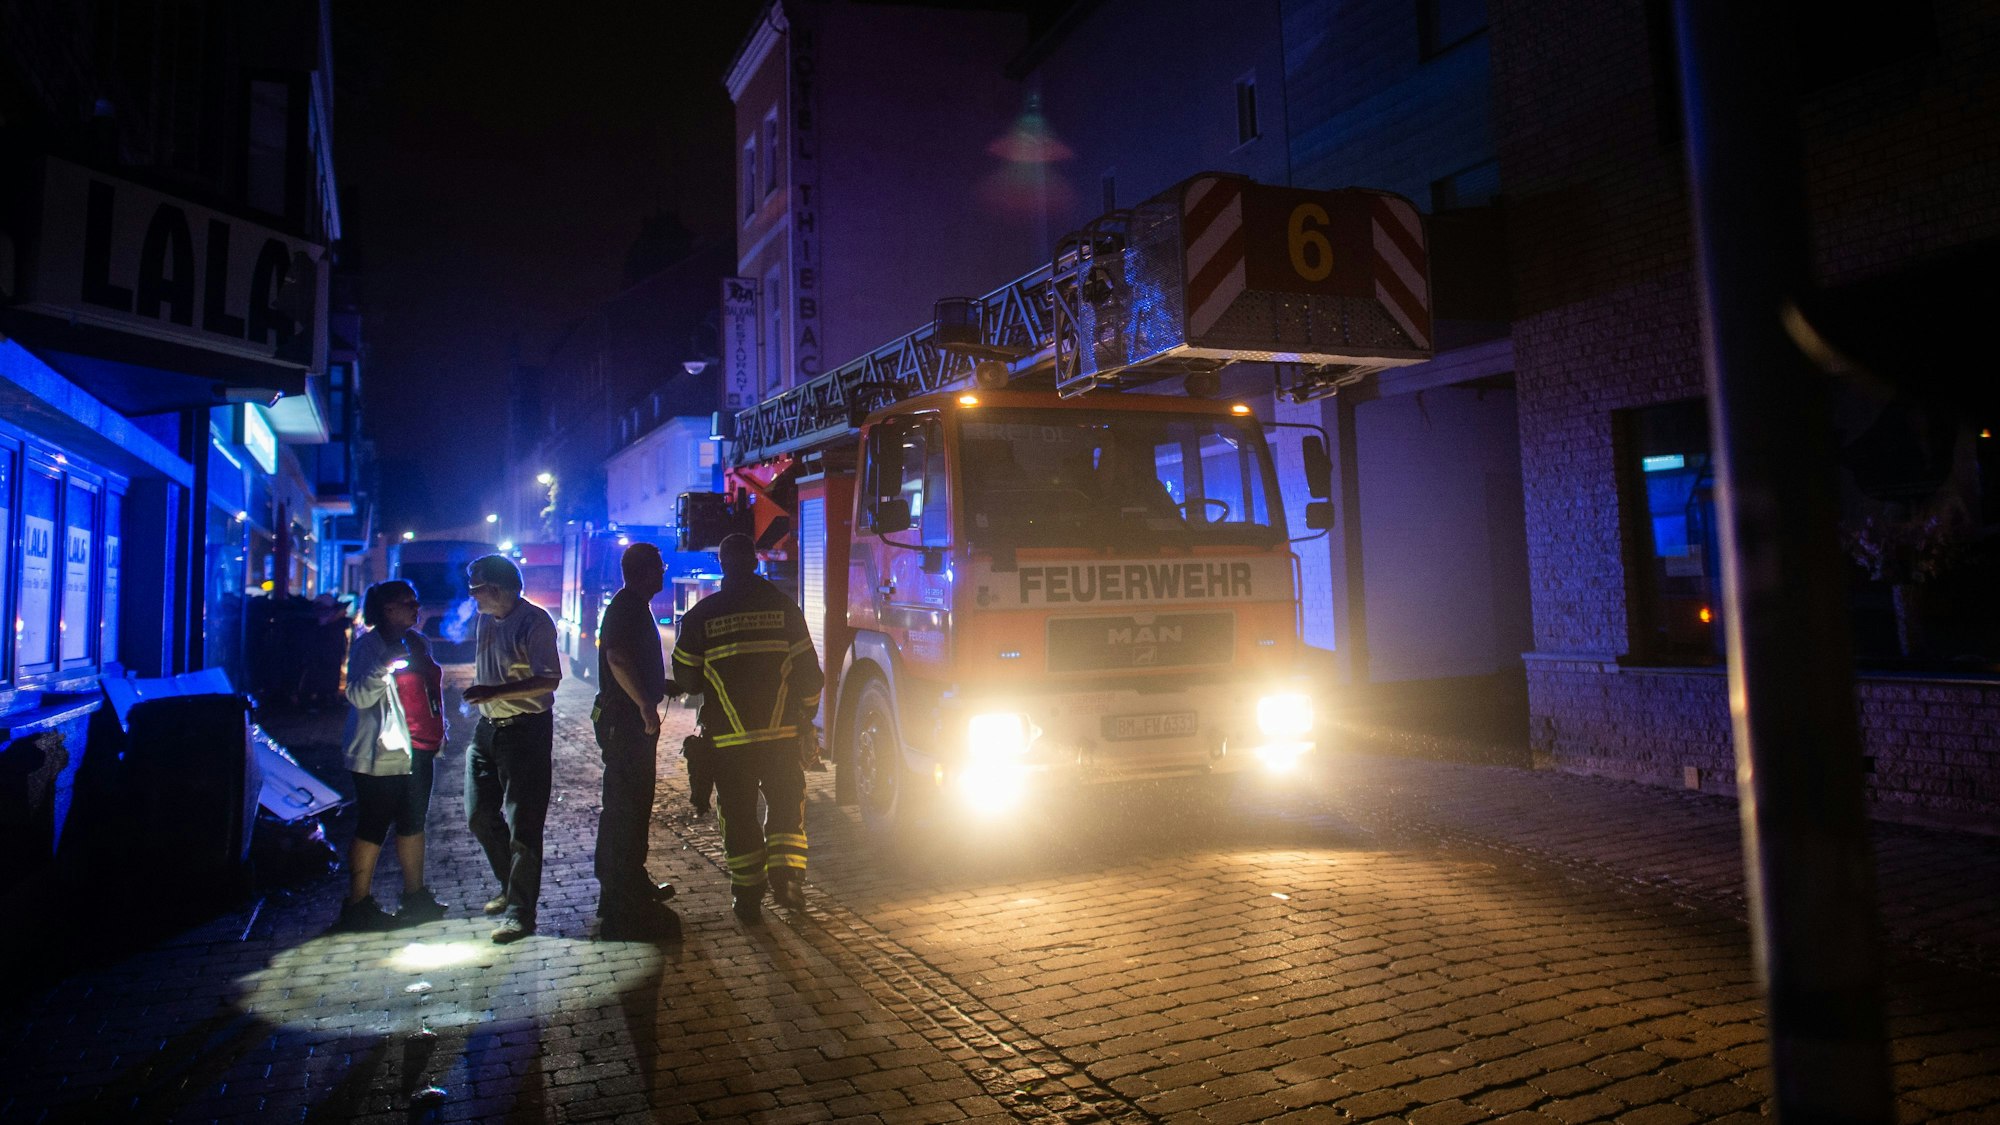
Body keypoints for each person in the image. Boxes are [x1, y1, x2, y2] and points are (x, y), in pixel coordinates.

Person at [671, 533, 824, 922]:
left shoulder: (702, 616)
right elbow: (810, 675)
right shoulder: (784, 608)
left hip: (729, 742)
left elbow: (686, 679)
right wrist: (805, 717)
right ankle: (787, 880)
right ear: (755, 563)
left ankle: (748, 898)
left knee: (738, 816)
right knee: (787, 808)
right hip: (781, 738)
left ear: (722, 565)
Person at [333, 580, 448, 931]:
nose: (416, 608)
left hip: (419, 750)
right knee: (373, 824)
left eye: (416, 601)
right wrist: (384, 666)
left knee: (413, 821)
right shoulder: (369, 646)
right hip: (380, 754)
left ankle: (415, 896)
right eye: (408, 602)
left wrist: (439, 728)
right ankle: (358, 904)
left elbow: (428, 690)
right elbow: (358, 695)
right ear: (388, 609)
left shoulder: (419, 642)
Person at [460, 554, 562, 944]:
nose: (472, 597)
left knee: (524, 825)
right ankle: (509, 885)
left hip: (526, 732)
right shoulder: (486, 618)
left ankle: (521, 912)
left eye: (476, 590)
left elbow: (549, 679)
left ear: (496, 589)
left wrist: (494, 692)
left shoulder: (535, 622)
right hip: (487, 730)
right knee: (479, 815)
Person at [591, 542, 679, 941]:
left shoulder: (630, 606)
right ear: (644, 572)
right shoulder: (627, 608)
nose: (663, 573)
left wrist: (661, 686)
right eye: (659, 567)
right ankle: (623, 900)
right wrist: (645, 704)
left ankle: (625, 885)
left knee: (629, 806)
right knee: (627, 808)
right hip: (626, 725)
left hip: (623, 722)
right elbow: (617, 659)